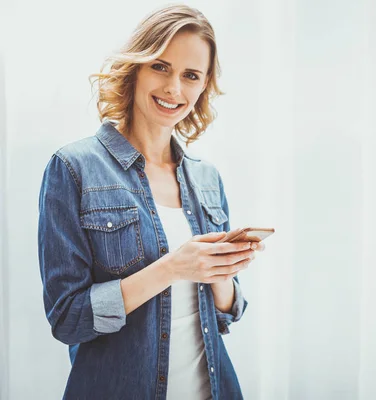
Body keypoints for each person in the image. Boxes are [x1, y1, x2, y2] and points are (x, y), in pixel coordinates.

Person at [37, 4, 263, 399]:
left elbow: (226, 313)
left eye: (191, 76)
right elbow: (68, 319)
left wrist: (224, 271)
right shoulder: (74, 169)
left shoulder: (207, 179)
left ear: (203, 86)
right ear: (136, 68)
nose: (174, 88)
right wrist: (173, 268)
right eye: (161, 66)